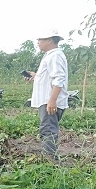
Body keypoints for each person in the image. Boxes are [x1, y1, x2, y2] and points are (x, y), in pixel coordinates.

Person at [23, 29, 69, 159]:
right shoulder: (51, 55)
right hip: (47, 100)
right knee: (47, 129)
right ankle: (49, 159)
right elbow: (50, 76)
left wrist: (52, 100)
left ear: (49, 40)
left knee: (48, 131)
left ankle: (50, 162)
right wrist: (36, 76)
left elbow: (59, 78)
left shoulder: (55, 56)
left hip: (49, 101)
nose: (37, 42)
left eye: (40, 40)